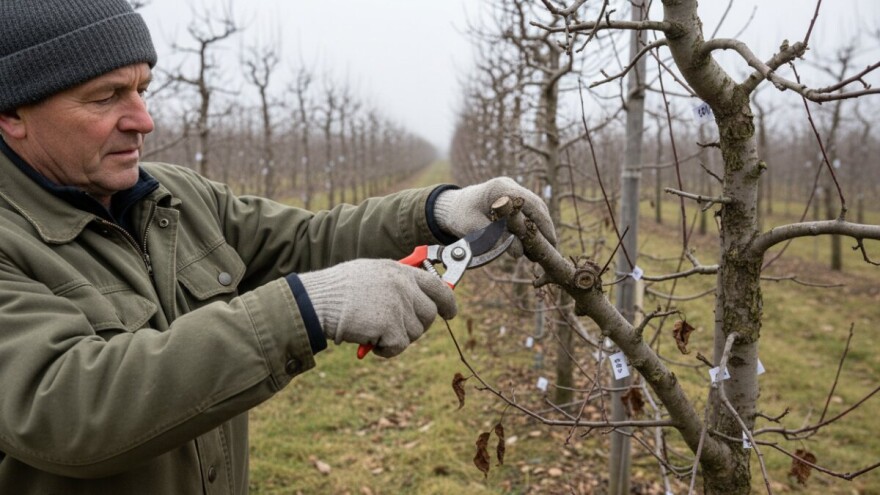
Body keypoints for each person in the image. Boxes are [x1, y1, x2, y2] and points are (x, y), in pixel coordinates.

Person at [0, 1, 557, 493]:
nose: (143, 120)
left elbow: (304, 240)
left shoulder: (175, 197)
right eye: (106, 97)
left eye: (142, 90)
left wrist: (435, 212)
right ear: (13, 114)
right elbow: (63, 405)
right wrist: (308, 309)